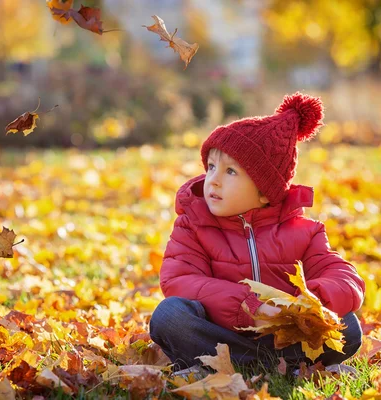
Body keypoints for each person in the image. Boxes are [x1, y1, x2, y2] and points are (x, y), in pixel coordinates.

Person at [149, 92, 365, 375]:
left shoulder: (305, 231)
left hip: (287, 338)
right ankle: (263, 366)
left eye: (231, 172)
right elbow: (179, 280)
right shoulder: (193, 224)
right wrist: (249, 307)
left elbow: (345, 277)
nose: (213, 179)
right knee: (169, 315)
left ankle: (243, 367)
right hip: (220, 336)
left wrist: (309, 306)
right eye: (211, 166)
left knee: (348, 326)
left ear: (265, 193)